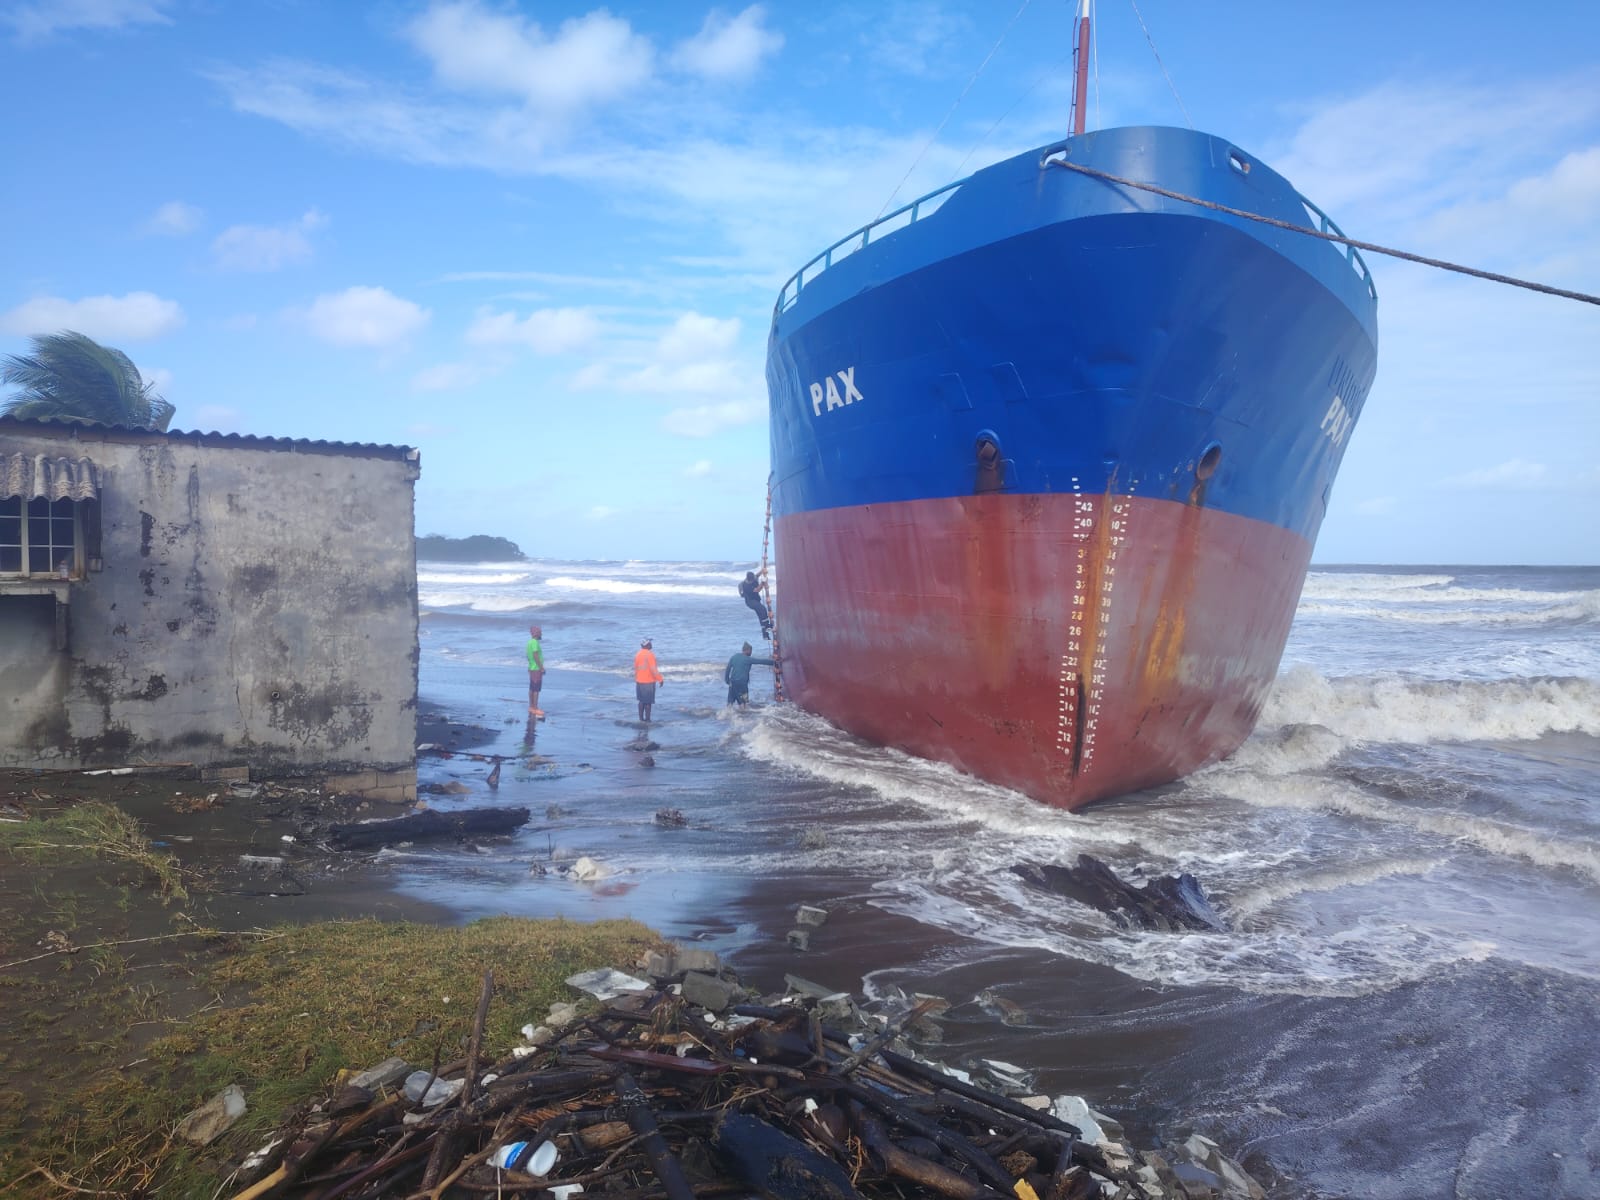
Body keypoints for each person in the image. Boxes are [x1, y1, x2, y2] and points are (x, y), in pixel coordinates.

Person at [724, 641, 775, 707]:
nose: (751, 652)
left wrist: (727, 680)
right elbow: (761, 661)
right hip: (742, 684)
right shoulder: (748, 659)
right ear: (747, 650)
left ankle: (728, 716)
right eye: (751, 650)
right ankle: (743, 716)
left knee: (729, 704)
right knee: (744, 703)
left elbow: (728, 669)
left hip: (732, 683)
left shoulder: (734, 657)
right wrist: (774, 662)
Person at [633, 637, 665, 723]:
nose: (651, 644)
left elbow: (636, 669)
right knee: (648, 702)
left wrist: (637, 678)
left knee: (641, 701)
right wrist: (660, 679)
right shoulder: (650, 655)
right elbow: (653, 669)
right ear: (646, 645)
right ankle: (647, 719)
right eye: (650, 643)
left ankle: (640, 719)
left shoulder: (638, 654)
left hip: (639, 681)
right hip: (648, 682)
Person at [738, 570, 773, 640]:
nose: (754, 580)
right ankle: (768, 626)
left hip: (756, 600)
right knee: (763, 609)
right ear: (749, 580)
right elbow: (757, 590)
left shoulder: (753, 578)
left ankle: (765, 635)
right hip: (750, 602)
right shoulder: (746, 586)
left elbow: (757, 575)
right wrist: (763, 582)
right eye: (753, 580)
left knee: (761, 615)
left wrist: (762, 571)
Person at [526, 623, 545, 718]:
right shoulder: (534, 642)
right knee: (536, 689)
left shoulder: (529, 642)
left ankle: (531, 706)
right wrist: (541, 667)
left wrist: (530, 666)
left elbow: (528, 656)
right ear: (536, 633)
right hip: (536, 669)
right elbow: (535, 655)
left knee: (532, 688)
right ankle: (535, 708)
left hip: (532, 668)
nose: (541, 633)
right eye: (540, 632)